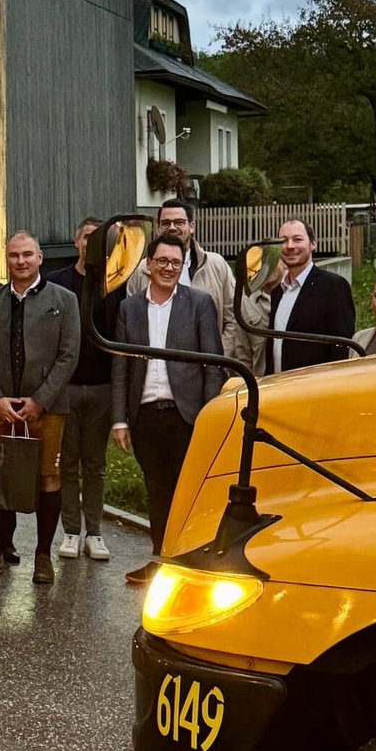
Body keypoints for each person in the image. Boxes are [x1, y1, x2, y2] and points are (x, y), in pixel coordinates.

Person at [0, 230, 80, 586]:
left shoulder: (65, 299)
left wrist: (40, 400)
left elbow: (68, 355)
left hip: (46, 407)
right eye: (14, 255)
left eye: (27, 254)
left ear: (40, 257)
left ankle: (42, 557)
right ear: (6, 259)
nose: (21, 261)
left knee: (48, 478)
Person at [112, 234, 224, 586]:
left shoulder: (199, 304)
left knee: (189, 491)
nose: (168, 268)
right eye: (161, 261)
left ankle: (190, 564)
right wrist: (119, 419)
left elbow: (213, 365)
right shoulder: (129, 308)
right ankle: (161, 561)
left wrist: (210, 415)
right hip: (144, 416)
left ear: (183, 266)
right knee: (156, 491)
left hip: (186, 415)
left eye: (175, 263)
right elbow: (120, 368)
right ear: (148, 265)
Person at [48, 216, 115, 563]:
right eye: (87, 236)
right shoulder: (56, 283)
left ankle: (96, 532)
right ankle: (71, 532)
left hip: (102, 387)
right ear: (77, 241)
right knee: (67, 463)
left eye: (99, 238)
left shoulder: (114, 284)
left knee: (96, 464)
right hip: (66, 388)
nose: (91, 243)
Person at [125, 197, 243, 360]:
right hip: (157, 369)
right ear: (158, 228)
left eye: (179, 222)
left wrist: (218, 358)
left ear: (192, 226)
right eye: (166, 223)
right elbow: (131, 324)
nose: (172, 228)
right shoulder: (142, 270)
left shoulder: (216, 265)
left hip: (208, 364)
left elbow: (233, 318)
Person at [238, 217, 356, 374]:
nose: (290, 246)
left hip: (315, 389)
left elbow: (342, 347)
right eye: (284, 241)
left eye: (298, 239)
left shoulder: (333, 286)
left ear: (313, 244)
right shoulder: (278, 292)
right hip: (279, 387)